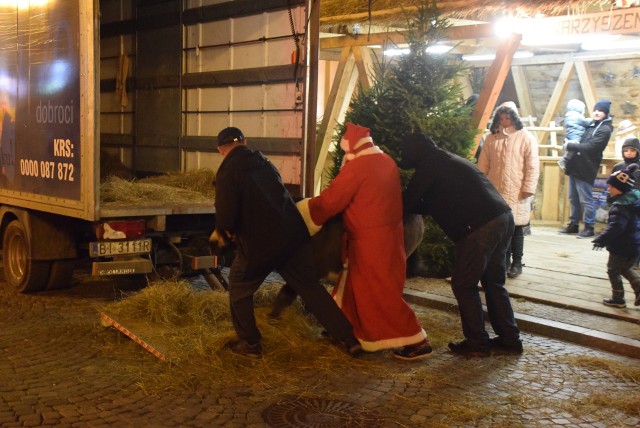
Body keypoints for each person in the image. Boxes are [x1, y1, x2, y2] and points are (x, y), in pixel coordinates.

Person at [212, 126, 361, 358]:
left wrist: (224, 232)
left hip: (260, 243)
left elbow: (227, 215)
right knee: (310, 286)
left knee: (239, 286)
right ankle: (348, 338)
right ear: (244, 141)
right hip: (292, 237)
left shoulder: (227, 173)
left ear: (221, 150)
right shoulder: (265, 165)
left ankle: (250, 344)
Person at [298, 122, 431, 361]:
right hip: (388, 238)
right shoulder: (385, 161)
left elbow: (332, 201)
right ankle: (344, 331)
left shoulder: (358, 167)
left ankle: (417, 341)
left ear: (350, 147)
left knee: (380, 293)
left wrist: (306, 210)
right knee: (353, 288)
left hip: (370, 242)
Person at [400, 133, 521, 357]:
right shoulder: (444, 160)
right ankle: (510, 339)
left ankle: (477, 342)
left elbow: (408, 203)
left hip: (480, 226)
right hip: (502, 217)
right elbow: (431, 201)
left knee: (463, 284)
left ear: (414, 152)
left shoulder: (430, 166)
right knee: (494, 282)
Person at [478, 102, 540, 278]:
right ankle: (502, 261)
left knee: (517, 228)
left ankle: (517, 262)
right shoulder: (491, 138)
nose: (505, 121)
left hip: (517, 190)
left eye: (508, 117)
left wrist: (529, 187)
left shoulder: (525, 137)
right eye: (502, 117)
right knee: (500, 228)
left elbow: (533, 165)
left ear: (514, 118)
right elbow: (483, 165)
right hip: (495, 190)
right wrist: (482, 187)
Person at [560, 99, 614, 238]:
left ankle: (589, 227)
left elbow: (590, 147)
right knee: (573, 198)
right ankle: (574, 224)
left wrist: (570, 146)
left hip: (586, 167)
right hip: (576, 165)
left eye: (600, 110)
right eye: (595, 110)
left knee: (586, 199)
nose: (596, 112)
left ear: (605, 113)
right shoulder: (591, 125)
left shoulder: (604, 129)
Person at [592, 164, 640, 308]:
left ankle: (618, 298)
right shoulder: (633, 200)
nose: (609, 189)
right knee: (626, 268)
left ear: (620, 188)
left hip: (622, 245)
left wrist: (601, 240)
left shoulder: (620, 207)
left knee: (613, 269)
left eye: (611, 186)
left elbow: (616, 227)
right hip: (635, 242)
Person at [558, 99, 592, 171]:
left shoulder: (568, 116)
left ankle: (565, 161)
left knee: (572, 150)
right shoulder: (577, 117)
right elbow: (586, 122)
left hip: (572, 134)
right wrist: (593, 120)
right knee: (574, 149)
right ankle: (564, 161)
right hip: (576, 136)